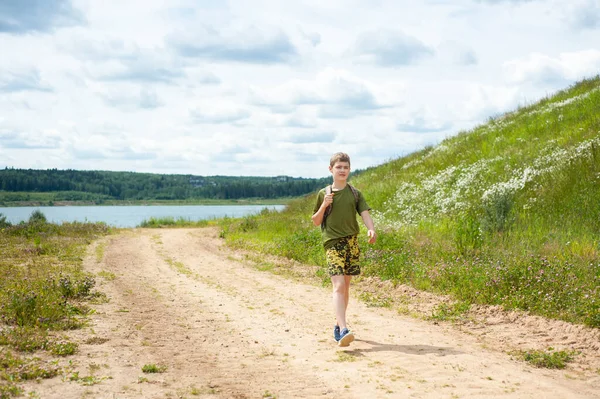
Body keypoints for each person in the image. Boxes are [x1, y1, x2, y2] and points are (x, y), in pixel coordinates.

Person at [311, 152, 377, 347]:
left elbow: (364, 214)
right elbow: (315, 221)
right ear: (330, 169)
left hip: (352, 242)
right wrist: (324, 205)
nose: (342, 170)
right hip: (332, 242)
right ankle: (344, 329)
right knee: (338, 285)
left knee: (346, 287)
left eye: (345, 167)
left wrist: (371, 229)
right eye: (338, 167)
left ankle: (338, 326)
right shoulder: (324, 193)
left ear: (349, 170)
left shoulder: (355, 193)